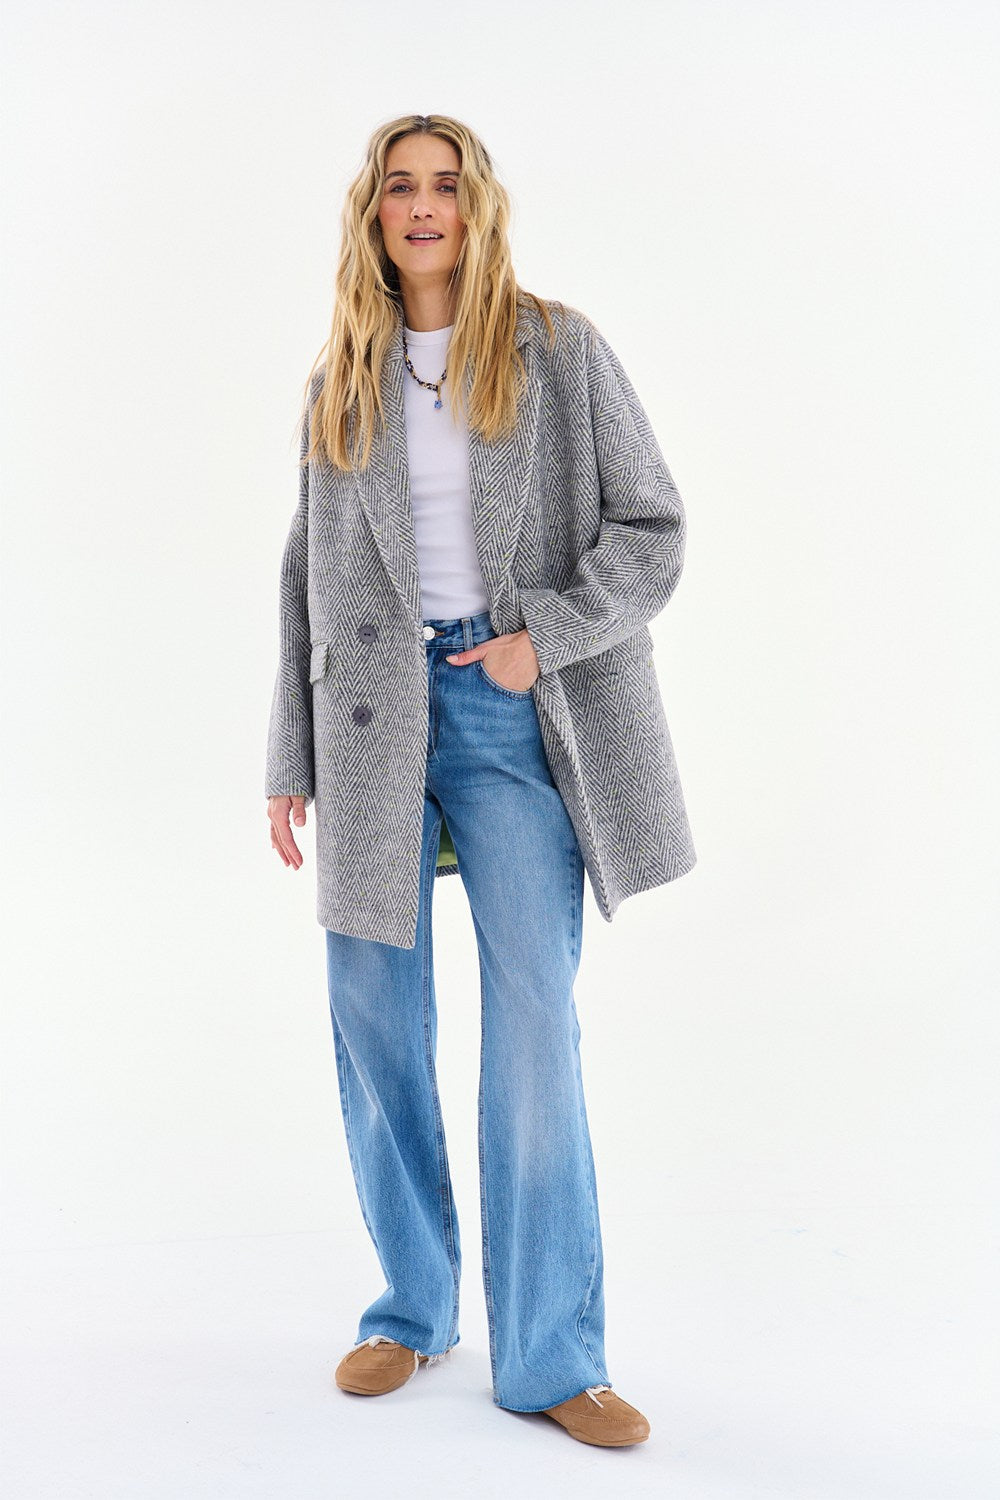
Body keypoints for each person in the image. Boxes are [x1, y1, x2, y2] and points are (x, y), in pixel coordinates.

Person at [265, 113, 696, 1448]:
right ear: (374, 211)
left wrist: (542, 638)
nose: (424, 206)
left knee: (533, 1026)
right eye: (401, 186)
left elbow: (653, 528)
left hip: (511, 712)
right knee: (374, 1017)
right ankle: (410, 1308)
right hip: (368, 722)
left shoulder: (559, 350)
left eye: (445, 185)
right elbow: (303, 574)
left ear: (476, 205)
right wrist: (288, 756)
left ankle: (554, 1355)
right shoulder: (343, 373)